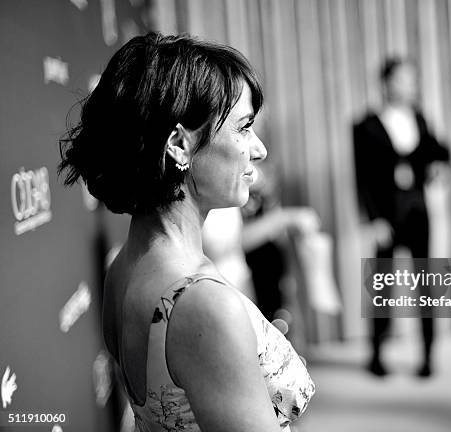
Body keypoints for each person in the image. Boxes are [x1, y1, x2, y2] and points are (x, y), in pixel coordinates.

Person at [59, 33, 314, 432]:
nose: (259, 149)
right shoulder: (204, 305)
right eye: (244, 128)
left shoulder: (124, 269)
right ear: (179, 144)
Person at [353, 57, 450, 378]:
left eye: (413, 79)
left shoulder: (420, 118)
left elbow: (439, 150)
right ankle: (377, 353)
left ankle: (428, 355)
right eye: (404, 79)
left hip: (418, 212)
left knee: (425, 285)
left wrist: (441, 164)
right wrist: (374, 219)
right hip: (386, 216)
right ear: (386, 83)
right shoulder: (366, 125)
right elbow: (362, 179)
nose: (411, 86)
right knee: (382, 286)